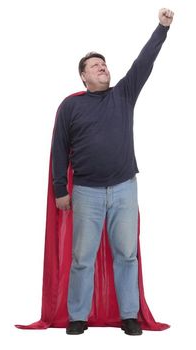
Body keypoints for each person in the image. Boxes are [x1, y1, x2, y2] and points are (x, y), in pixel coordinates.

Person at [51, 8, 174, 336]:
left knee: (126, 254)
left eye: (103, 63)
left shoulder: (124, 94)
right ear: (83, 76)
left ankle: (129, 315)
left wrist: (161, 28)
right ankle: (77, 316)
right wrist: (59, 189)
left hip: (123, 188)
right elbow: (59, 149)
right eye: (94, 65)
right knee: (82, 257)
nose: (102, 67)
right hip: (86, 192)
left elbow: (144, 61)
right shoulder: (70, 107)